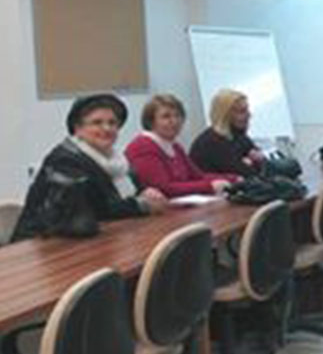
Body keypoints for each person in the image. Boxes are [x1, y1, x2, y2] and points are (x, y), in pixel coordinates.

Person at [12, 94, 167, 241]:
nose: (106, 128)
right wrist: (141, 205)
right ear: (78, 129)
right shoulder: (64, 160)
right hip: (42, 244)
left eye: (112, 123)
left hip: (100, 240)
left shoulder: (116, 159)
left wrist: (147, 193)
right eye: (97, 123)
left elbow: (134, 190)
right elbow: (94, 210)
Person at [124, 94, 239, 198]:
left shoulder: (175, 146)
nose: (174, 121)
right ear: (151, 121)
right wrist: (209, 186)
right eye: (166, 117)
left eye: (178, 116)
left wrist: (234, 179)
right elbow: (164, 188)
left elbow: (197, 176)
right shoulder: (142, 147)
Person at [190, 89, 265, 177]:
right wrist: (252, 162)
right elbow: (246, 173)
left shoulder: (238, 137)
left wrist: (251, 162)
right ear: (225, 116)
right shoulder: (212, 142)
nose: (249, 115)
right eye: (242, 111)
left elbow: (262, 161)